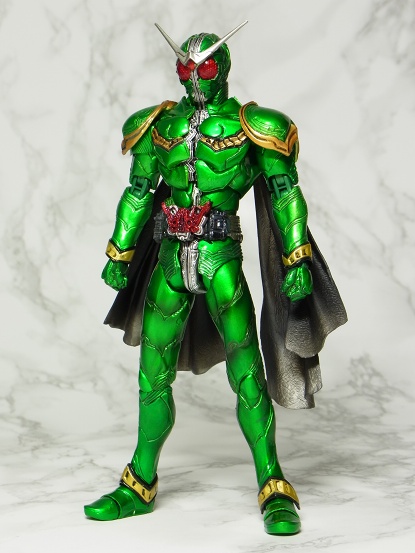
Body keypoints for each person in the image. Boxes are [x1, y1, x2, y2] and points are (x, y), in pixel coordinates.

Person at [84, 22, 347, 535]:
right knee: (151, 377)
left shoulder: (255, 126)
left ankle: (273, 484)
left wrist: (296, 256)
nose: (193, 78)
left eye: (203, 68)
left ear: (222, 68)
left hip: (220, 260)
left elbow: (285, 191)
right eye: (185, 68)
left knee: (247, 374)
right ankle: (139, 482)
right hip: (169, 262)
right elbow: (138, 191)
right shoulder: (158, 125)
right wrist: (119, 250)